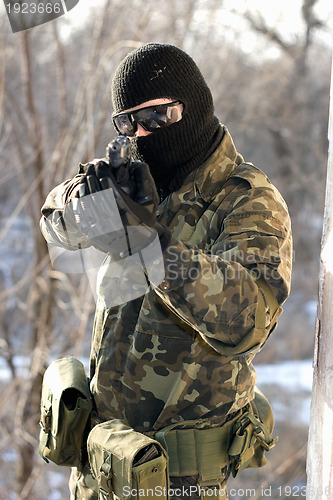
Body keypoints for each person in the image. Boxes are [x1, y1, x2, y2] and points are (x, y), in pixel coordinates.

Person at [40, 43, 292, 500]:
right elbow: (53, 223)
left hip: (180, 481)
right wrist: (87, 197)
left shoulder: (246, 199)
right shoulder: (137, 178)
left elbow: (245, 320)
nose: (144, 132)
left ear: (193, 107)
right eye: (129, 122)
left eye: (158, 116)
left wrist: (152, 243)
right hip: (101, 469)